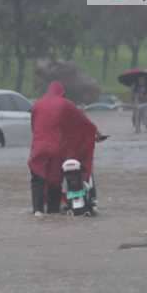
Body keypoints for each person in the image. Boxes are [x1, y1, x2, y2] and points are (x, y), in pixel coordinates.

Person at [28, 81, 101, 216]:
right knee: (54, 180)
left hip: (38, 148)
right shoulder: (65, 103)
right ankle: (53, 211)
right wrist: (97, 132)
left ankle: (37, 210)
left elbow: (34, 127)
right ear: (61, 92)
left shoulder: (36, 105)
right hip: (56, 148)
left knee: (37, 178)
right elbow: (82, 121)